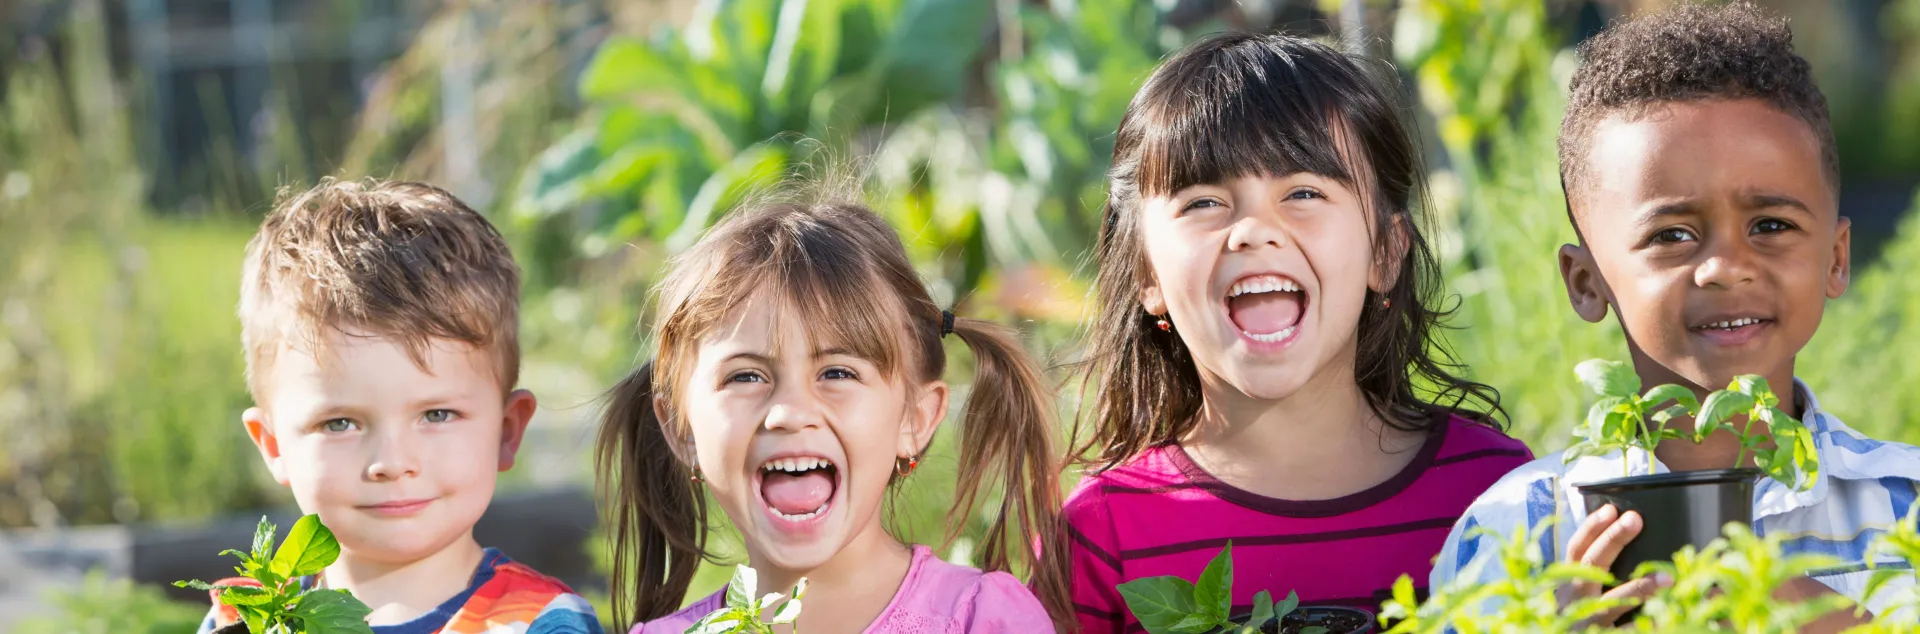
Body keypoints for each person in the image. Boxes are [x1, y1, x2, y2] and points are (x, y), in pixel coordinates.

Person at [1432, 3, 1920, 630]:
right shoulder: (1514, 531)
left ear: (1836, 258)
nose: (1725, 267)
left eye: (1771, 225)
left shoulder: (1905, 506)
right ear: (1587, 283)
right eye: (1672, 235)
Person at [1065, 31, 1532, 633]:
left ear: (1386, 252)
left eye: (1304, 192)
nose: (1254, 231)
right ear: (1145, 274)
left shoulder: (1498, 493)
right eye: (1204, 202)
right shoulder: (1104, 532)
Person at [600, 188, 1069, 632]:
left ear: (915, 419)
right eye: (745, 376)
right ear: (681, 429)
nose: (789, 413)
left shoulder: (983, 622)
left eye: (837, 374)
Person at [199, 178, 601, 632]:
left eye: (436, 415)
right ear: (273, 445)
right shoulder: (245, 618)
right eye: (340, 423)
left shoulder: (542, 624)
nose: (391, 463)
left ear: (506, 431)